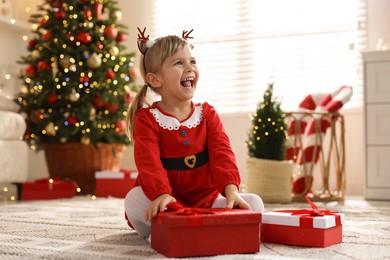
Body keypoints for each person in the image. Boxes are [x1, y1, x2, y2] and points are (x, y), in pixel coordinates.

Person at [124, 27, 264, 238]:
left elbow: (222, 154)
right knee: (133, 200)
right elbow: (148, 163)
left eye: (192, 61)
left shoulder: (207, 114)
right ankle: (185, 226)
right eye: (178, 63)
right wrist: (162, 194)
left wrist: (231, 190)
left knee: (255, 203)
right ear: (155, 80)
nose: (189, 67)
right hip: (166, 199)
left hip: (205, 199)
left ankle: (186, 226)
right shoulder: (147, 119)